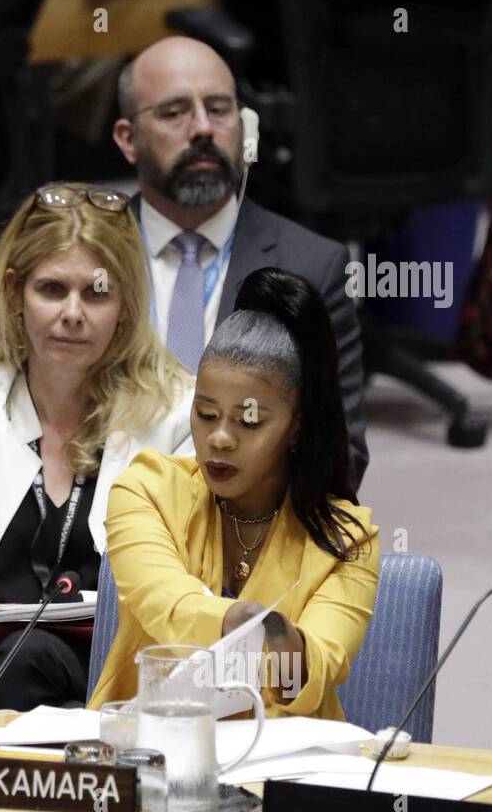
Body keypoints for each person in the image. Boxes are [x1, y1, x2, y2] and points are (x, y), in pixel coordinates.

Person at [0, 183, 194, 711]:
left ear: (127, 305)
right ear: (13, 293)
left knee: (32, 654)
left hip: (119, 694)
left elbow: (176, 608)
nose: (72, 313)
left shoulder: (177, 416)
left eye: (96, 293)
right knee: (17, 663)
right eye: (51, 290)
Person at [89, 268, 380, 720]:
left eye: (249, 422)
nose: (219, 439)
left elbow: (306, 676)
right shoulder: (145, 489)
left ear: (296, 426)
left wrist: (280, 638)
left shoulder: (349, 537)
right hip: (148, 752)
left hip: (283, 766)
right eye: (205, 414)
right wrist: (246, 622)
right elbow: (168, 607)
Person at [111, 36, 369, 490]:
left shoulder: (310, 267)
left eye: (219, 108)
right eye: (174, 113)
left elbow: (338, 459)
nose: (203, 129)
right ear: (128, 140)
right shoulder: (87, 259)